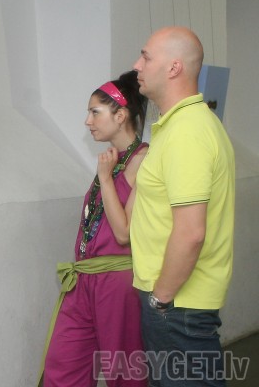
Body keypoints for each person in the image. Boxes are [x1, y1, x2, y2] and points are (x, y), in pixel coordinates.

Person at [131, 26, 235, 386]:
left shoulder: (187, 132)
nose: (137, 65)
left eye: (146, 57)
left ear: (174, 67)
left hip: (177, 305)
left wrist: (160, 299)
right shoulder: (181, 126)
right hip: (178, 303)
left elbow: (191, 233)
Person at [40, 70, 149, 387]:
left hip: (117, 281)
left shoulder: (144, 160)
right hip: (83, 279)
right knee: (62, 364)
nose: (88, 121)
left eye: (95, 112)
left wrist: (105, 178)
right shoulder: (112, 160)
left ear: (120, 115)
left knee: (123, 373)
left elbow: (123, 233)